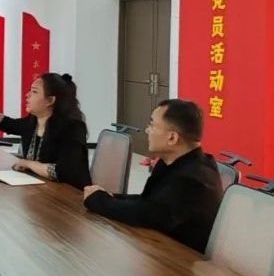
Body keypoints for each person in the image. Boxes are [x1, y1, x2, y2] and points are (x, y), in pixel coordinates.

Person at [84, 99, 223, 253]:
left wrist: (99, 200)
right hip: (160, 249)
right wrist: (112, 196)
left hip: (180, 261)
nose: (147, 130)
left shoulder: (192, 179)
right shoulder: (173, 161)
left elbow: (145, 214)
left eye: (152, 125)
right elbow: (149, 201)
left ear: (172, 138)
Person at [0, 73, 91, 189]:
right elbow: (5, 123)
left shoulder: (73, 127)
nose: (27, 95)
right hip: (41, 191)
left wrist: (29, 164)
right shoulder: (33, 121)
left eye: (34, 92)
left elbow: (63, 172)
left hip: (71, 197)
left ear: (50, 100)